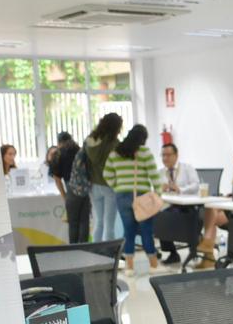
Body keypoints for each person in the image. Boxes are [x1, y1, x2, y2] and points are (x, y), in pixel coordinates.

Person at [103, 124, 163, 275]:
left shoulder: (115, 152)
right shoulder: (144, 152)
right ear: (143, 138)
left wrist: (118, 186)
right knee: (146, 231)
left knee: (128, 231)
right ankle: (154, 265)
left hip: (121, 196)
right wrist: (158, 193)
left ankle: (129, 267)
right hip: (142, 196)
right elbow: (154, 175)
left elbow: (107, 174)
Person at [84, 113, 123, 242]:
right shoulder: (114, 144)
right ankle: (110, 255)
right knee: (109, 224)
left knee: (99, 221)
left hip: (93, 185)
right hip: (109, 185)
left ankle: (97, 253)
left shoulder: (89, 141)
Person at [158, 142, 198, 264]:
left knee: (171, 217)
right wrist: (161, 189)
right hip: (168, 204)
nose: (165, 158)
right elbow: (155, 189)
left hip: (186, 205)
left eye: (168, 155)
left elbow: (196, 185)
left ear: (176, 155)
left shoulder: (187, 168)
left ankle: (193, 245)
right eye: (163, 155)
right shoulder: (160, 172)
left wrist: (180, 189)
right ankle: (172, 253)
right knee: (159, 217)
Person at [50, 131, 89, 244]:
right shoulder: (80, 150)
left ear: (59, 142)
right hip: (85, 188)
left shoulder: (59, 153)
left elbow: (57, 178)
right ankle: (85, 248)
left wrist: (64, 196)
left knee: (73, 222)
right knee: (84, 221)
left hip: (71, 188)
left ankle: (74, 250)